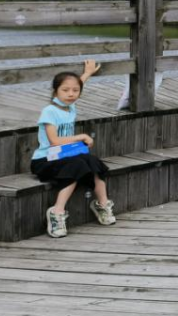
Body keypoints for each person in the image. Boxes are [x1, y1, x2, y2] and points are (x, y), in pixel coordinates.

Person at [31, 60, 115, 238]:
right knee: (76, 166)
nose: (71, 94)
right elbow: (54, 141)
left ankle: (102, 204)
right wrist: (80, 136)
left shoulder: (70, 106)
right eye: (65, 90)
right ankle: (57, 212)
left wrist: (87, 73)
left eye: (75, 91)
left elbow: (77, 84)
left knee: (93, 162)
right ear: (56, 91)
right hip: (45, 160)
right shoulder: (49, 111)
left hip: (65, 155)